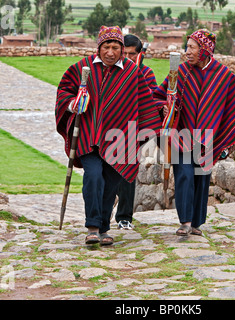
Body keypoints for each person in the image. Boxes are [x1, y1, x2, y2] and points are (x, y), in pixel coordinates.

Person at [55, 26, 163, 245]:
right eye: (106, 47)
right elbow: (64, 90)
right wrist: (72, 103)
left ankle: (103, 228)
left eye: (115, 47)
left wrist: (153, 123)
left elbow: (145, 105)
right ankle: (92, 227)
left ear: (122, 49)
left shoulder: (132, 73)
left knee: (111, 184)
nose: (111, 52)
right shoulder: (82, 68)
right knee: (93, 177)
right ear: (99, 47)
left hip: (118, 141)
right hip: (88, 136)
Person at [154, 29, 235, 236]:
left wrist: (228, 137)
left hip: (207, 139)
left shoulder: (225, 76)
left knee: (201, 177)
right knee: (183, 174)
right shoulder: (180, 72)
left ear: (205, 50)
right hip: (181, 135)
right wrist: (164, 107)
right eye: (187, 47)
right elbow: (159, 95)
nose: (187, 51)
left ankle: (196, 223)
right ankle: (185, 221)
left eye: (192, 47)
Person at [115, 34, 158, 230]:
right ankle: (99, 215)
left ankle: (124, 217)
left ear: (139, 54)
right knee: (106, 175)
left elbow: (154, 100)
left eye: (132, 54)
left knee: (127, 173)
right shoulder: (113, 71)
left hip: (135, 131)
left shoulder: (146, 74)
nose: (128, 57)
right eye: (125, 53)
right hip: (112, 130)